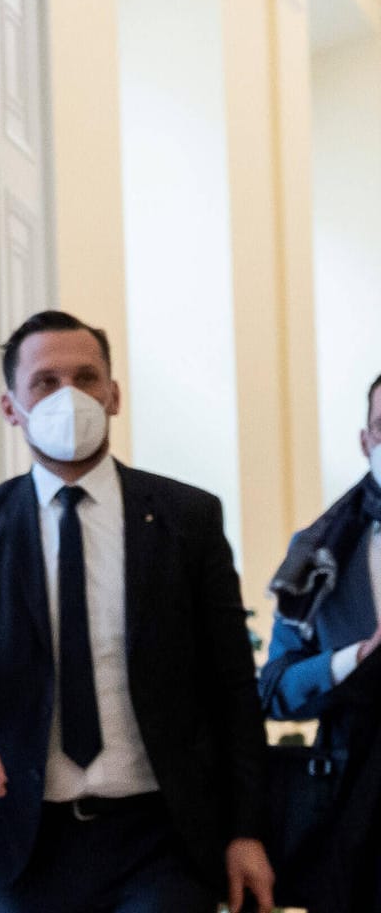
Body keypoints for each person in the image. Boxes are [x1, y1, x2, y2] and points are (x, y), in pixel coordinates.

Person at [0, 310, 275, 913]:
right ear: (11, 407)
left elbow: (233, 684)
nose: (69, 396)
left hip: (166, 836)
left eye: (86, 377)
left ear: (114, 394)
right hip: (27, 841)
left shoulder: (188, 519)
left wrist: (247, 830)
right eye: (45, 382)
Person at [261, 371, 381, 911]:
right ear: (366, 441)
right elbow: (276, 689)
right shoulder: (317, 553)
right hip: (356, 802)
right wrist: (354, 658)